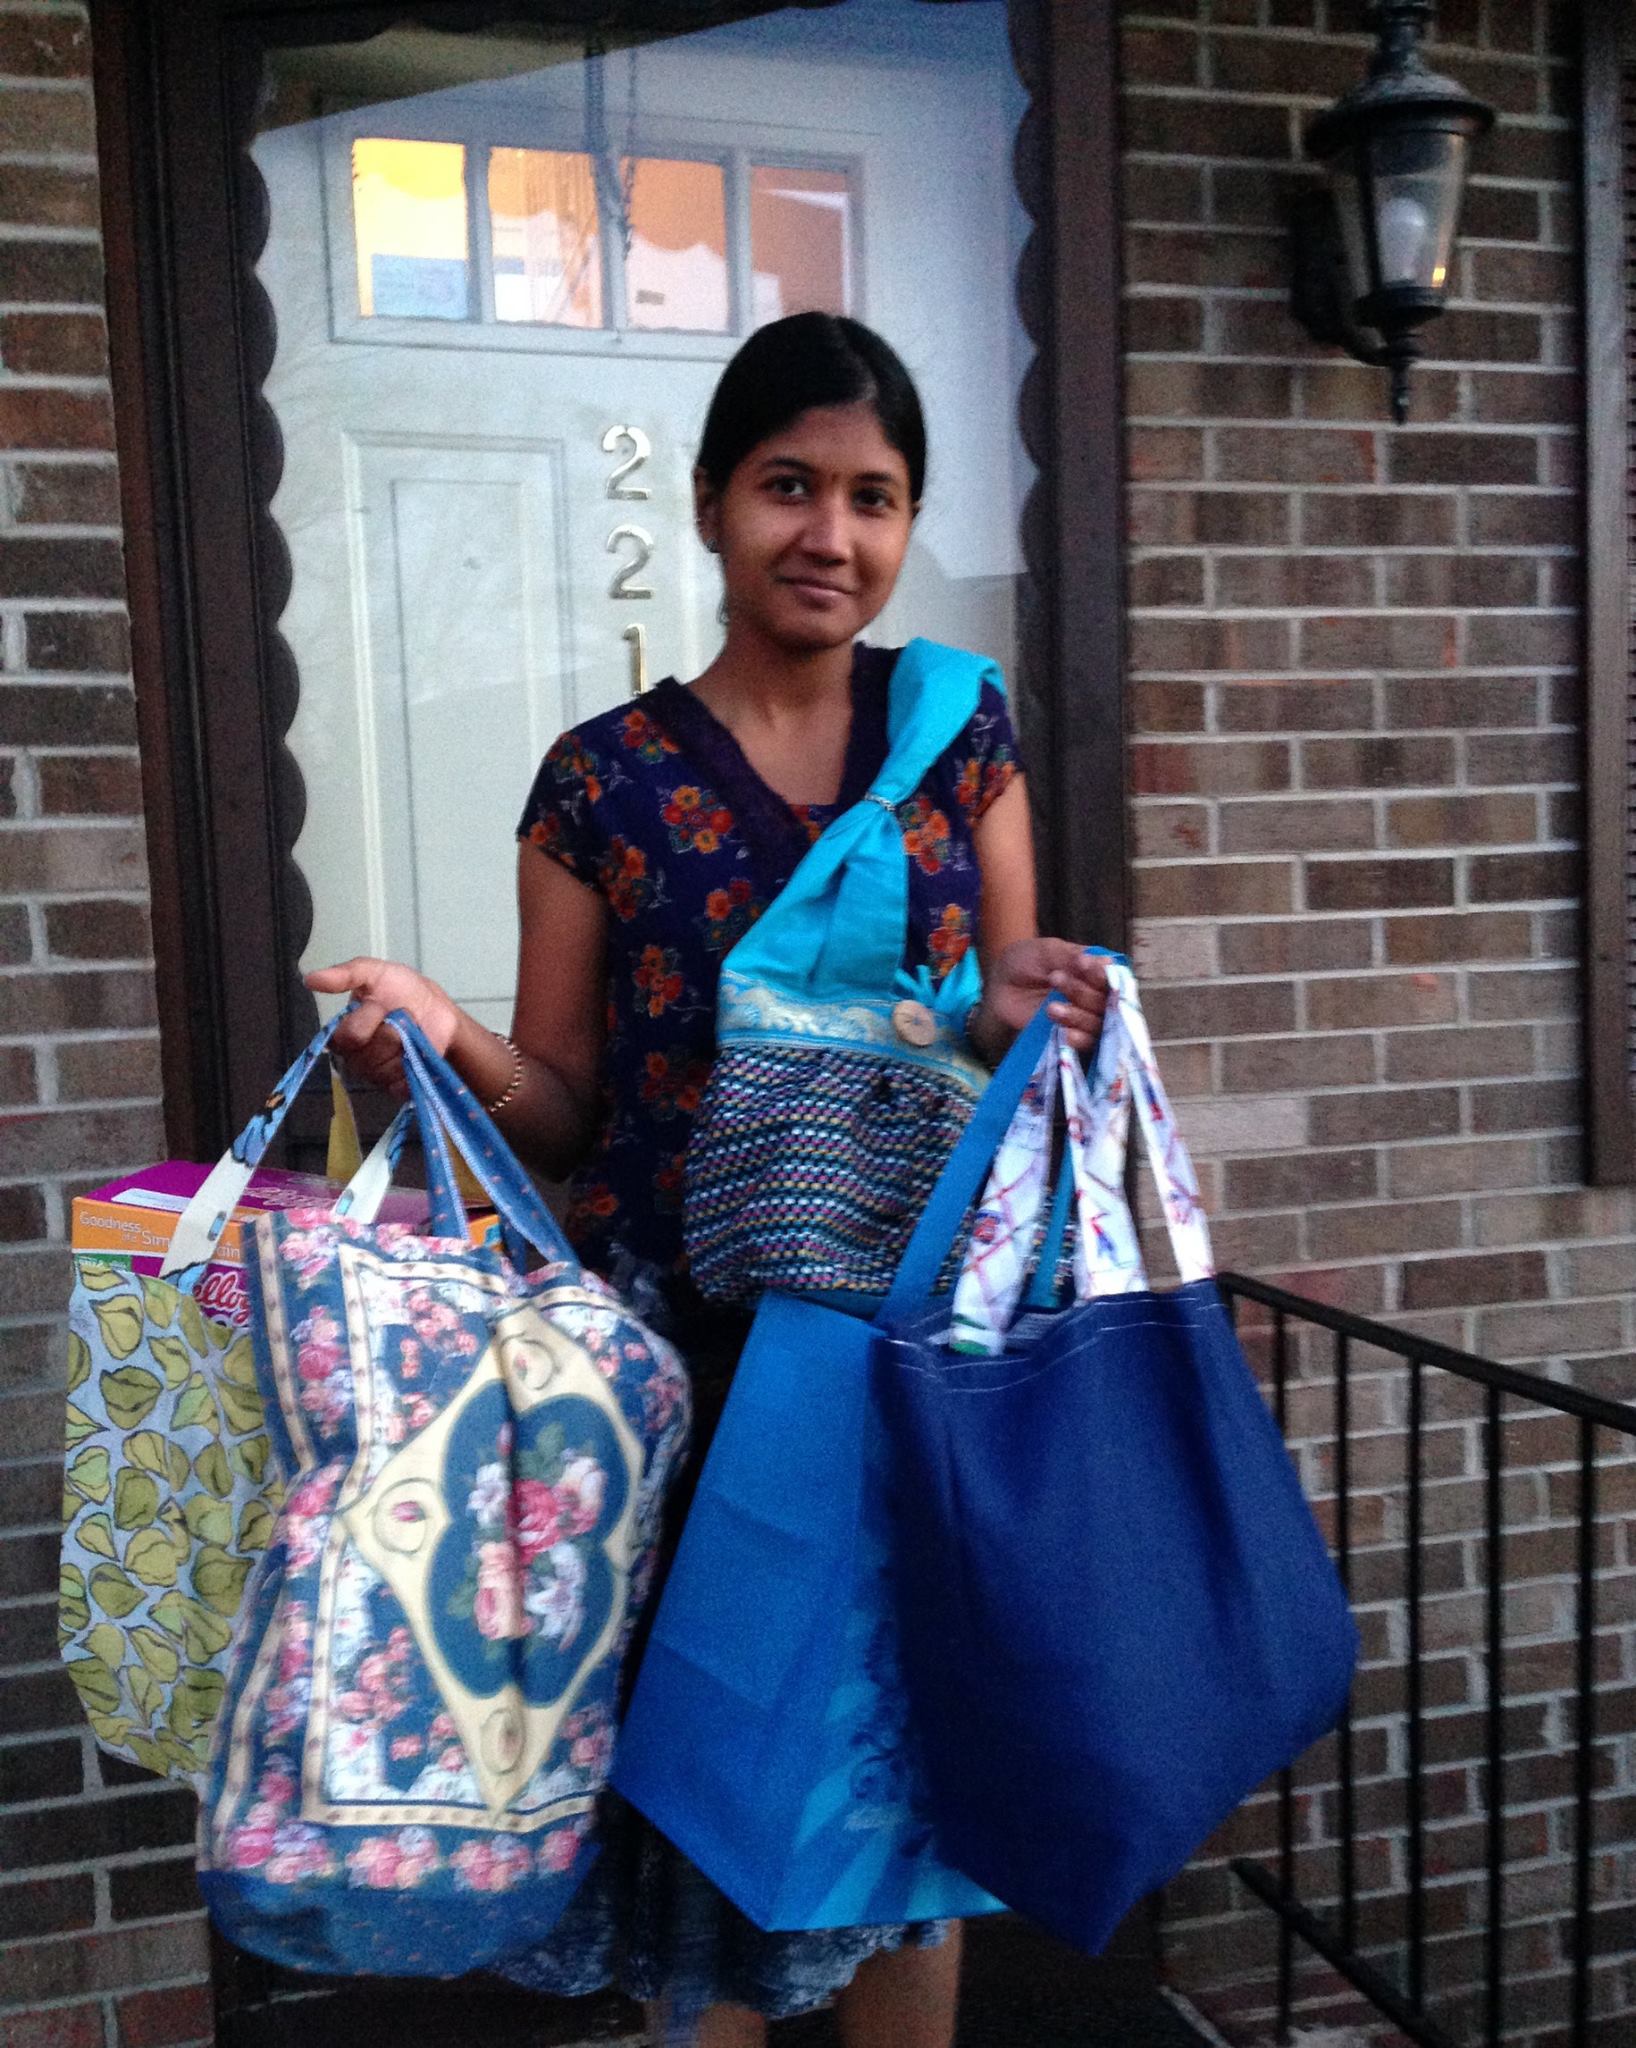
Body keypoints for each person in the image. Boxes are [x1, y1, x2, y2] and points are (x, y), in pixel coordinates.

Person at [310, 312, 1108, 2048]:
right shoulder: (600, 785)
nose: (831, 532)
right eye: (789, 486)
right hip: (679, 1370)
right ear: (710, 506)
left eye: (875, 496)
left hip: (897, 1363)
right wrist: (442, 1043)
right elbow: (567, 1109)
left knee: (904, 1813)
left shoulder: (959, 738)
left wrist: (1017, 1007)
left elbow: (990, 1035)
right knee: (699, 1827)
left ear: (909, 524)